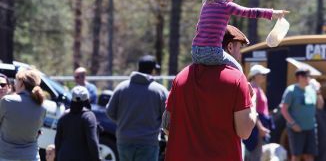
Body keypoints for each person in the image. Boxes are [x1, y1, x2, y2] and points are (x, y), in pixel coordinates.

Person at [163, 25, 258, 161]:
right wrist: (252, 102)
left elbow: (167, 126)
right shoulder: (237, 78)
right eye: (239, 48)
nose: (240, 54)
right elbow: (244, 131)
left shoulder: (181, 77)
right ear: (230, 47)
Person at [192, 0, 289, 71]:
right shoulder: (227, 6)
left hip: (195, 51)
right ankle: (245, 87)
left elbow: (199, 27)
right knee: (238, 69)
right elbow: (249, 12)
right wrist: (272, 13)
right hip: (213, 52)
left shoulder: (205, 5)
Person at [106, 55, 168, 161]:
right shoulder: (160, 91)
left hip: (124, 140)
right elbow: (167, 117)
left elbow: (110, 111)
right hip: (148, 142)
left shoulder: (121, 87)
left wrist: (123, 122)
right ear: (153, 70)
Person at [0, 67, 46, 161]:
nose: (14, 84)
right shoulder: (42, 107)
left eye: (16, 81)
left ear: (21, 83)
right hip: (32, 157)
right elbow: (38, 132)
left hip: (7, 156)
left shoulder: (7, 101)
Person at [280, 68, 324, 161]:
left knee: (310, 155)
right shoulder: (291, 91)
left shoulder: (311, 90)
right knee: (296, 156)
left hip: (311, 128)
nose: (310, 79)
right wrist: (293, 124)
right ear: (300, 77)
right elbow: (284, 109)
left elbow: (320, 106)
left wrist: (318, 91)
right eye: (308, 76)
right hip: (296, 130)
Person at [55, 86, 100, 161]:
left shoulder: (64, 116)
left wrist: (56, 157)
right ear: (87, 99)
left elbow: (57, 141)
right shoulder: (89, 116)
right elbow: (92, 141)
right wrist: (97, 159)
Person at [244, 64, 274, 161]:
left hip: (257, 127)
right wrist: (260, 128)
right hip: (255, 129)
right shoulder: (253, 89)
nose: (265, 76)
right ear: (255, 75)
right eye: (263, 74)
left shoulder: (257, 88)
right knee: (254, 156)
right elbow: (252, 111)